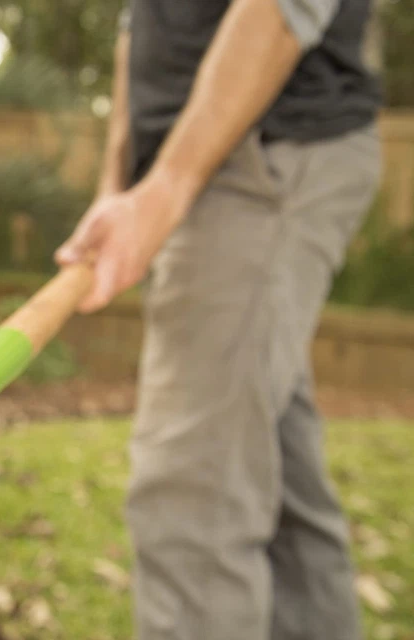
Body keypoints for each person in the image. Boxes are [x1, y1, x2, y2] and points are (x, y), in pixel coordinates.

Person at [55, 0, 382, 638]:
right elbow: (140, 24)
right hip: (214, 157)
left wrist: (169, 183)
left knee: (193, 500)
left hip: (267, 149)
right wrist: (119, 186)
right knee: (272, 471)